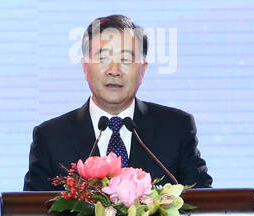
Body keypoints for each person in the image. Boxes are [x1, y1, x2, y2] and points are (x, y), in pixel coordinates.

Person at [23, 15, 213, 191]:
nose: (114, 70)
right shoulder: (51, 137)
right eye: (103, 58)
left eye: (125, 59)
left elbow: (204, 204)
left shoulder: (176, 128)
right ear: (85, 67)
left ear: (143, 69)